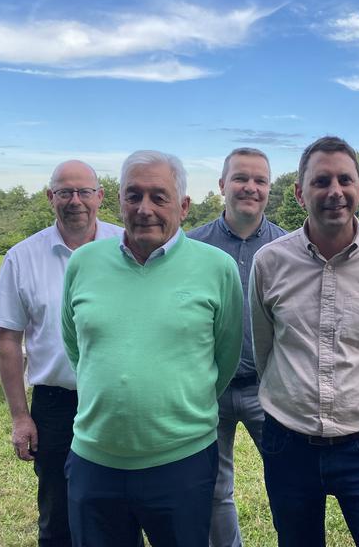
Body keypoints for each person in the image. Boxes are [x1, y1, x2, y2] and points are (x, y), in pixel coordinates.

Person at [61, 150, 243, 547]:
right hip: (95, 460)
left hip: (182, 461)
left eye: (159, 197)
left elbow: (224, 357)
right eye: (134, 195)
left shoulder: (217, 268)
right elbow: (77, 348)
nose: (144, 209)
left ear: (183, 205)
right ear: (119, 200)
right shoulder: (83, 263)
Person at [250, 136, 359, 546]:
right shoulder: (269, 262)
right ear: (299, 191)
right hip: (287, 444)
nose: (334, 192)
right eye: (321, 181)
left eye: (345, 180)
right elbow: (264, 347)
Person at [0, 160, 122, 546]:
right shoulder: (22, 257)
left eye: (83, 192)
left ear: (100, 197)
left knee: (120, 511)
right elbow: (7, 339)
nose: (75, 201)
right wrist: (19, 417)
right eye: (65, 192)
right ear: (50, 198)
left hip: (119, 400)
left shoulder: (128, 247)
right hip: (56, 404)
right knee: (58, 517)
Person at [186, 147, 285, 547]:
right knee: (212, 490)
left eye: (260, 180)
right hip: (208, 390)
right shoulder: (192, 248)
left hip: (271, 390)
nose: (250, 187)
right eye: (241, 178)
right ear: (222, 185)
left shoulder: (287, 247)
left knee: (287, 486)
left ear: (269, 189)